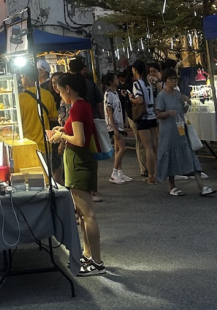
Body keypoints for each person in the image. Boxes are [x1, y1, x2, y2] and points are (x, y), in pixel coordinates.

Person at [50, 73, 105, 277]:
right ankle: (88, 254)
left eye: (60, 88)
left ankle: (97, 262)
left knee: (88, 214)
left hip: (80, 163)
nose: (60, 93)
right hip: (76, 163)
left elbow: (80, 139)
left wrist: (61, 135)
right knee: (82, 214)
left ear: (68, 89)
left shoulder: (79, 106)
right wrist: (62, 130)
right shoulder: (79, 106)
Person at [155, 70, 216, 197]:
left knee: (191, 156)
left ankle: (202, 187)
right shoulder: (161, 96)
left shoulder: (178, 94)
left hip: (181, 130)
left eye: (175, 79)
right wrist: (168, 113)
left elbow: (183, 110)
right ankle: (172, 186)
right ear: (165, 80)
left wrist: (187, 103)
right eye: (171, 79)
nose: (173, 81)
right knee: (170, 157)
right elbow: (158, 113)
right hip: (168, 132)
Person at [19, 63, 59, 153]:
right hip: (45, 146)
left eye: (21, 77)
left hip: (27, 146)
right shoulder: (47, 95)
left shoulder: (20, 98)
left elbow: (18, 123)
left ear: (25, 77)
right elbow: (54, 117)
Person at [131, 59, 158, 184]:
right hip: (153, 116)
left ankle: (151, 176)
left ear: (135, 70)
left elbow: (140, 100)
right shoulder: (150, 83)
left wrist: (131, 98)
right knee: (154, 147)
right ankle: (157, 173)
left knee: (147, 148)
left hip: (143, 118)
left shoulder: (137, 84)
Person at [102, 72, 131, 184]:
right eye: (115, 79)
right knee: (123, 148)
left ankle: (119, 172)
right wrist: (114, 128)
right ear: (111, 82)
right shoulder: (108, 94)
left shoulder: (115, 93)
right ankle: (114, 173)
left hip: (118, 125)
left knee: (118, 149)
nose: (117, 80)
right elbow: (109, 111)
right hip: (113, 126)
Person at [118, 68, 146, 176]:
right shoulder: (134, 86)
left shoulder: (133, 86)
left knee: (142, 142)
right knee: (142, 142)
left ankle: (144, 168)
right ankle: (144, 168)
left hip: (133, 116)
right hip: (136, 116)